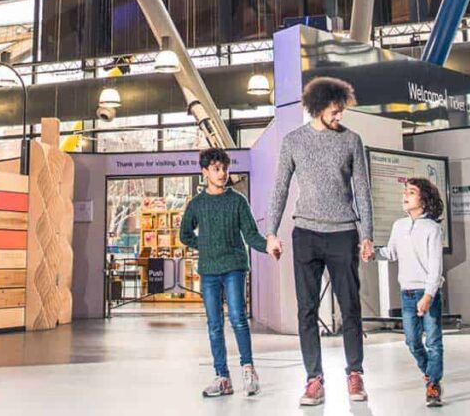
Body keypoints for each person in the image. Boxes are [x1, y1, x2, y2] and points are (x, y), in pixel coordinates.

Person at [266, 76, 373, 406]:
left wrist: (367, 235)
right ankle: (314, 379)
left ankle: (354, 374)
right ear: (318, 107)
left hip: (343, 233)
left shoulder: (352, 140)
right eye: (335, 110)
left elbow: (363, 192)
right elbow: (280, 188)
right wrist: (271, 232)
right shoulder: (293, 141)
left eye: (342, 111)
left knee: (351, 308)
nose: (340, 116)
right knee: (307, 311)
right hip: (306, 235)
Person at [180, 147, 274, 398]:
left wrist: (268, 246)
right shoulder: (197, 204)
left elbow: (251, 235)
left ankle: (248, 370)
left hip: (234, 267)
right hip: (209, 271)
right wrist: (206, 244)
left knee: (237, 317)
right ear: (205, 172)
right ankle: (222, 377)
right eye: (216, 169)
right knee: (214, 324)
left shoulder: (237, 201)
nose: (222, 173)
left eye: (224, 168)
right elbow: (185, 234)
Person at [374, 178, 446, 408]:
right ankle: (429, 373)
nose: (405, 195)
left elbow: (436, 267)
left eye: (411, 192)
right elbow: (391, 253)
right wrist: (371, 253)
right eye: (405, 192)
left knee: (433, 341)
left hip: (428, 294)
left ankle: (433, 385)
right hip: (406, 294)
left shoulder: (432, 229)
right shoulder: (399, 225)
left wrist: (428, 296)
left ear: (424, 200)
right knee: (412, 340)